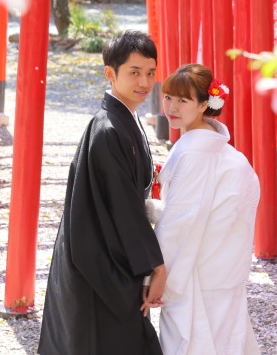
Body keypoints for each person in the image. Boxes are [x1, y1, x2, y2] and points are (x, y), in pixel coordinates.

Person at [39, 31, 165, 355]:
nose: (145, 82)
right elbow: (123, 207)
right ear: (110, 73)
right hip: (97, 262)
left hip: (101, 250)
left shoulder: (123, 120)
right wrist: (155, 266)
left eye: (150, 73)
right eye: (134, 72)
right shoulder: (109, 129)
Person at [148, 64, 260, 355]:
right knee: (226, 341)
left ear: (204, 104)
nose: (171, 107)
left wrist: (156, 274)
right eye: (168, 97)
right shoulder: (222, 150)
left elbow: (180, 221)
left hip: (197, 272)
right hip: (222, 269)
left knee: (195, 343)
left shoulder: (195, 152)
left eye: (182, 100)